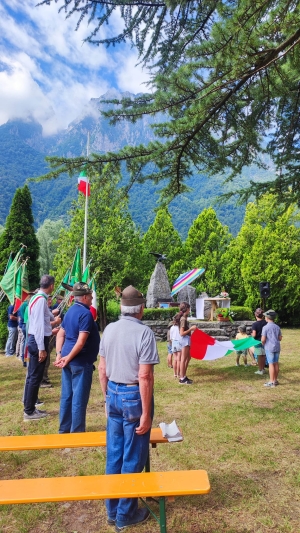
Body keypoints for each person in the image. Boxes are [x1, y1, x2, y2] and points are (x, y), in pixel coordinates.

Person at [99, 285, 159, 531]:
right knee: (132, 456)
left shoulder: (109, 329)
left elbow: (102, 370)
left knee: (114, 454)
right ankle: (125, 513)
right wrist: (145, 413)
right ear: (141, 309)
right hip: (133, 396)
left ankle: (112, 509)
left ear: (123, 307)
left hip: (112, 392)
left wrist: (106, 399)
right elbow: (145, 376)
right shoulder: (144, 334)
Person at [54, 282, 100, 433]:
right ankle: (77, 432)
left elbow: (61, 334)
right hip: (80, 362)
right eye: (91, 296)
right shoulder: (86, 314)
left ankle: (64, 429)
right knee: (79, 399)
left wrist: (60, 354)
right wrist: (65, 357)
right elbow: (80, 342)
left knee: (67, 396)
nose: (92, 297)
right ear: (85, 297)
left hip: (67, 360)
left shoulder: (70, 311)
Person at [23, 275, 55, 421]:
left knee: (32, 376)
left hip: (35, 340)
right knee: (35, 377)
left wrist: (55, 318)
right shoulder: (41, 300)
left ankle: (29, 407)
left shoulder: (37, 297)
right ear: (51, 286)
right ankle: (29, 411)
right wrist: (42, 348)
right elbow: (39, 326)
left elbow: (47, 316)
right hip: (38, 340)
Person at [40, 296, 61, 388]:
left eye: (50, 299)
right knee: (44, 359)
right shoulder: (42, 310)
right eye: (48, 299)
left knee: (47, 359)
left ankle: (44, 377)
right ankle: (42, 379)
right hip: (45, 337)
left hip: (49, 337)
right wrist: (55, 322)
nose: (50, 301)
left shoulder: (47, 309)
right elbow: (43, 325)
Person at [261, 309, 282, 387]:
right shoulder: (277, 327)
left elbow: (263, 339)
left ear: (267, 318)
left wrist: (262, 343)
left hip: (269, 347)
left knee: (271, 364)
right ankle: (275, 380)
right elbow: (280, 338)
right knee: (276, 363)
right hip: (277, 347)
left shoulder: (265, 327)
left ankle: (271, 382)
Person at [178, 302, 197, 385]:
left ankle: (184, 376)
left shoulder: (184, 318)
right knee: (183, 359)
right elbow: (181, 333)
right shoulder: (183, 319)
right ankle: (182, 378)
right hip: (184, 340)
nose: (189, 311)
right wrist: (191, 329)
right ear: (186, 309)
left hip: (187, 339)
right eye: (189, 309)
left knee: (188, 358)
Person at [251, 308, 267, 376]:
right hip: (265, 341)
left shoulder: (255, 324)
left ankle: (260, 370)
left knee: (259, 356)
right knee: (263, 356)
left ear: (255, 315)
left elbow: (254, 335)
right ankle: (263, 369)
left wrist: (251, 335)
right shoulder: (266, 323)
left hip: (257, 342)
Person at [170, 314, 182, 379]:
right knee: (179, 360)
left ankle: (174, 374)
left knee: (175, 359)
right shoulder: (180, 328)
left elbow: (171, 338)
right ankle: (178, 373)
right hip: (179, 342)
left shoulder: (172, 328)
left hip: (174, 342)